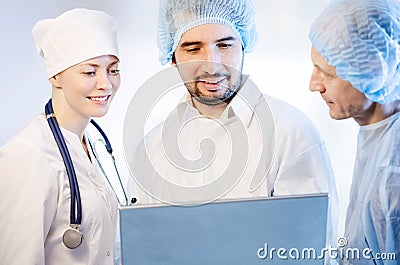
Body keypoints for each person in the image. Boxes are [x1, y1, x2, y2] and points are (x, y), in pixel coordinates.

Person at [127, 0, 337, 259]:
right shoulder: (152, 149)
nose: (212, 64)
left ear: (244, 47)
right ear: (172, 57)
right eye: (193, 49)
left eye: (224, 45)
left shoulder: (290, 131)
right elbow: (145, 252)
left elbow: (310, 252)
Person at [0, 8, 121, 265]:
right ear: (55, 75)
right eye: (90, 72)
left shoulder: (93, 145)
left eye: (113, 70)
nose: (106, 84)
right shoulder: (27, 154)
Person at [309, 0, 400, 264]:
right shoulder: (378, 135)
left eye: (328, 74)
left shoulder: (391, 179)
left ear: (373, 71)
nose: (314, 85)